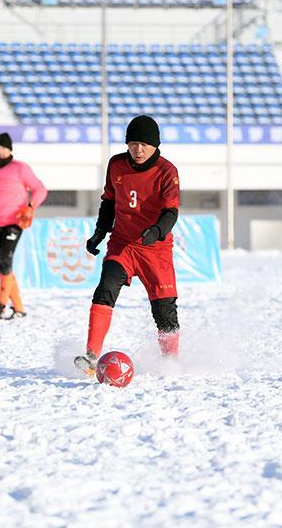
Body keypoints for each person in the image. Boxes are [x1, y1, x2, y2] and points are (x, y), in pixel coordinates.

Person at [74, 115, 181, 375]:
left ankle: (171, 363)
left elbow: (171, 212)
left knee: (164, 310)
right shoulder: (116, 165)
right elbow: (108, 202)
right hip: (123, 245)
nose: (138, 149)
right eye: (133, 143)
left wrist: (156, 231)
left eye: (144, 144)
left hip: (156, 249)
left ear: (156, 145)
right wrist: (100, 232)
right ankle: (91, 356)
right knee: (105, 288)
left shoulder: (167, 171)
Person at [0, 132, 47, 319]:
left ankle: (1, 305)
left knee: (5, 260)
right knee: (1, 264)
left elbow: (40, 188)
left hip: (15, 221)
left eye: (3, 147)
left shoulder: (20, 168)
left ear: (9, 149)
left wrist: (31, 206)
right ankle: (19, 308)